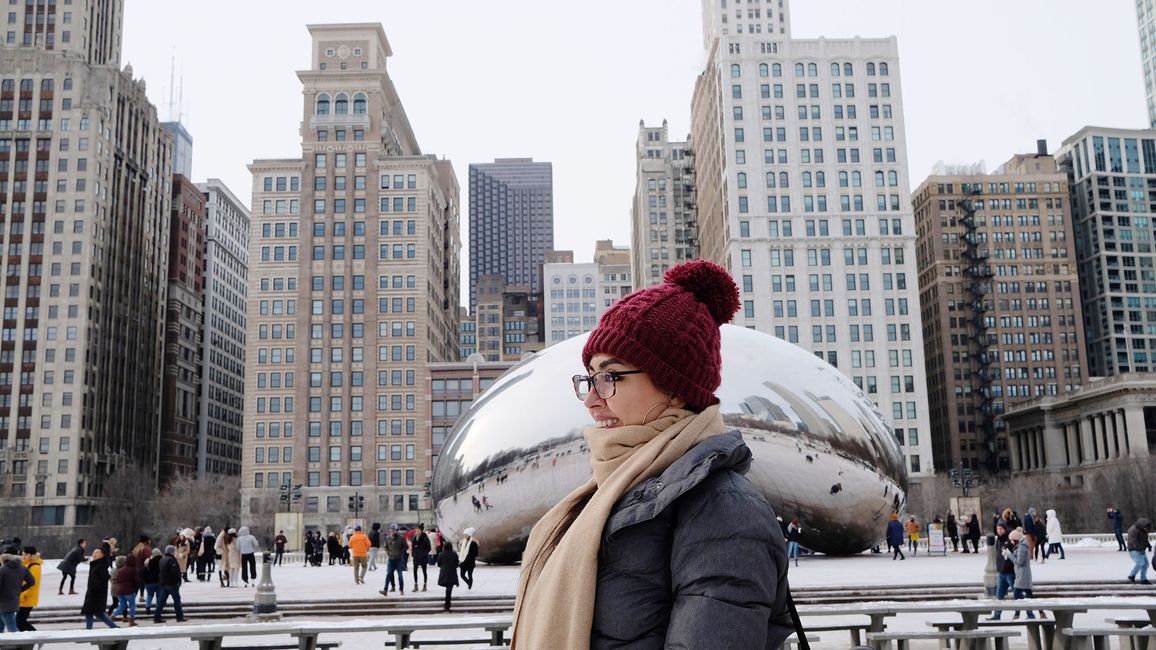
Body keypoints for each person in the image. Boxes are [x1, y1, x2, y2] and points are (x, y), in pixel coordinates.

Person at [510, 260, 795, 648]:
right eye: (589, 379)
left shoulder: (724, 511)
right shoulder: (602, 497)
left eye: (610, 377)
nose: (592, 400)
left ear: (675, 388)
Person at [1008, 528, 1046, 620]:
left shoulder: (1021, 547)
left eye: (1012, 540)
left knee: (1017, 595)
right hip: (1022, 574)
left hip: (1022, 575)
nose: (1011, 542)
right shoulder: (1022, 546)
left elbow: (1019, 562)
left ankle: (1017, 614)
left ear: (1016, 539)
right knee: (1029, 595)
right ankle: (1040, 612)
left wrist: (1009, 554)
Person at [81, 547, 118, 629]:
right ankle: (113, 627)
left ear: (102, 555)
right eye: (93, 553)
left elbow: (104, 579)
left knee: (94, 612)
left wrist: (95, 587)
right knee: (95, 613)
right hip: (92, 593)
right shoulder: (95, 564)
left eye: (96, 553)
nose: (93, 554)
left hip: (96, 594)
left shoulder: (101, 566)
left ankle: (89, 631)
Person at [0, 546, 34, 633]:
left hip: (3, 602)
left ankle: (19, 645)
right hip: (14, 600)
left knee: (12, 628)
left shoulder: (2, 570)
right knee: (4, 625)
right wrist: (19, 589)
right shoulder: (23, 568)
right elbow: (32, 581)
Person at [986, 522, 1015, 620]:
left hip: (1010, 572)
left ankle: (1028, 612)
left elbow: (1012, 555)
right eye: (998, 529)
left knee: (1017, 593)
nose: (999, 531)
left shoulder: (1009, 539)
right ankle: (997, 615)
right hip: (1002, 572)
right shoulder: (998, 540)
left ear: (1005, 529)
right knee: (999, 595)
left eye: (1001, 529)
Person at [153, 545, 187, 623]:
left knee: (161, 602)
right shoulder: (171, 560)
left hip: (163, 583)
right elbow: (174, 572)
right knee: (177, 601)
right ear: (171, 552)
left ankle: (157, 617)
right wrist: (178, 582)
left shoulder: (162, 559)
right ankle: (179, 617)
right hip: (172, 584)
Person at [16, 546, 41, 631]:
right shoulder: (26, 564)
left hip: (27, 598)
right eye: (23, 554)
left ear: (32, 555)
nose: (24, 556)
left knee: (20, 621)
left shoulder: (34, 566)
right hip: (23, 598)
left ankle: (36, 636)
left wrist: (22, 595)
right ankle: (30, 637)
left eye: (26, 554)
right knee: (20, 622)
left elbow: (33, 584)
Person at [112, 552, 139, 626]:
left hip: (120, 591)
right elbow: (136, 581)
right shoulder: (133, 570)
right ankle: (131, 621)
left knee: (122, 606)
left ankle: (113, 615)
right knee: (132, 606)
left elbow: (118, 580)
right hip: (129, 591)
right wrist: (136, 588)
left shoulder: (121, 570)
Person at [380, 524, 406, 596]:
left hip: (399, 560)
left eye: (394, 530)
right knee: (389, 574)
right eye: (391, 530)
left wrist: (400, 553)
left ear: (397, 531)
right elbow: (385, 547)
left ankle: (401, 589)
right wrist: (388, 553)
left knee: (400, 575)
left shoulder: (401, 538)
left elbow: (405, 547)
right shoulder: (388, 538)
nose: (392, 531)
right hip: (391, 559)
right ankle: (385, 590)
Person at [436, 539, 459, 612]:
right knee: (449, 589)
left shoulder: (441, 554)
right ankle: (447, 604)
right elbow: (456, 564)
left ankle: (447, 604)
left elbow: (439, 564)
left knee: (448, 589)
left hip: (444, 573)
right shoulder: (454, 554)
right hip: (452, 573)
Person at [1127, 517, 1152, 584]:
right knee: (1140, 563)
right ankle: (1132, 575)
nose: (1146, 529)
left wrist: (1148, 545)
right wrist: (1138, 548)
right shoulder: (1132, 530)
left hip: (1141, 549)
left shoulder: (1144, 530)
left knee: (1146, 564)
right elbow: (1132, 541)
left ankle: (1143, 579)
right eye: (1145, 527)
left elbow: (1145, 540)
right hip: (1133, 550)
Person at [409, 523, 432, 591]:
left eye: (418, 530)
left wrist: (424, 554)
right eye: (416, 530)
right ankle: (416, 585)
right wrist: (413, 554)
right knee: (415, 571)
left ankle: (425, 585)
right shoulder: (414, 538)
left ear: (421, 530)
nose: (417, 531)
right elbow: (412, 547)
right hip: (416, 557)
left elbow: (429, 548)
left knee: (424, 571)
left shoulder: (425, 538)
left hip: (423, 558)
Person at [141, 548, 162, 616]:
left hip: (149, 582)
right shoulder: (162, 561)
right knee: (159, 596)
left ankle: (148, 607)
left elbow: (144, 573)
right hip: (159, 581)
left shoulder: (148, 562)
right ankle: (158, 608)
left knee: (149, 595)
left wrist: (144, 580)